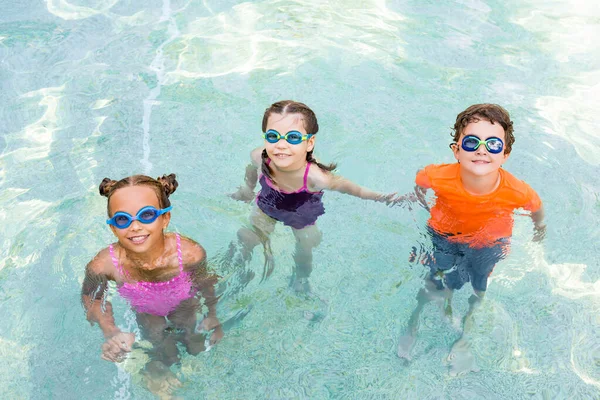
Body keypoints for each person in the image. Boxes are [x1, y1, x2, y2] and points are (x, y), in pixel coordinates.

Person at [396, 104, 546, 375]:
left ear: (505, 155)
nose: (482, 149)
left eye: (493, 144)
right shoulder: (437, 175)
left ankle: (464, 340)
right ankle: (414, 324)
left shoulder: (517, 191)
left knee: (479, 288)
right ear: (456, 150)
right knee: (434, 278)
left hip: (488, 243)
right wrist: (416, 200)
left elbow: (536, 209)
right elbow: (421, 184)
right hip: (444, 235)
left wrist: (539, 232)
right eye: (472, 141)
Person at [229, 100, 402, 293]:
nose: (281, 145)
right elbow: (251, 170)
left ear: (309, 143)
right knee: (246, 236)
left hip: (302, 213)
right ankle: (236, 268)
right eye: (272, 136)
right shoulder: (259, 156)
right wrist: (246, 190)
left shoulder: (316, 176)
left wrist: (381, 197)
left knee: (306, 245)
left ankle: (302, 280)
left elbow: (353, 189)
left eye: (293, 137)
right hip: (267, 204)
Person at [81, 174, 223, 395]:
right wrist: (111, 331)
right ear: (112, 227)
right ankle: (156, 373)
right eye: (122, 219)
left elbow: (206, 283)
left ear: (165, 219)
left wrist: (212, 314)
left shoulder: (188, 254)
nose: (135, 226)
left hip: (184, 303)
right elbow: (91, 297)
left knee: (194, 342)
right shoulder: (105, 265)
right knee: (161, 347)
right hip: (146, 309)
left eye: (146, 215)